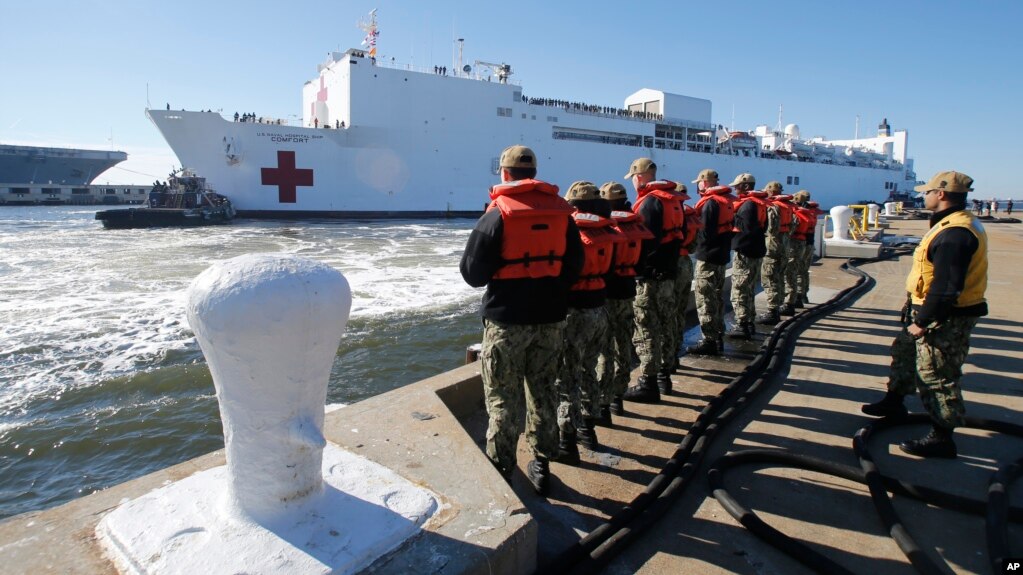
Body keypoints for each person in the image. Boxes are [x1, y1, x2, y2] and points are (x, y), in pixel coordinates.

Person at [459, 145, 584, 494]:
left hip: (507, 322)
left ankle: (501, 466)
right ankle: (542, 464)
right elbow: (576, 265)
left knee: (502, 396)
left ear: (504, 173)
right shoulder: (563, 215)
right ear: (534, 173)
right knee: (543, 390)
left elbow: (472, 274)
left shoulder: (497, 214)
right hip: (550, 320)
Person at [862, 171, 988, 458]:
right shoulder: (952, 224)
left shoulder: (955, 233)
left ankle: (942, 436)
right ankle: (894, 402)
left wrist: (923, 322)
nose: (924, 196)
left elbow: (946, 287)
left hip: (945, 315)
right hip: (928, 307)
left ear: (941, 194)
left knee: (937, 373)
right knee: (905, 353)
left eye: (928, 192)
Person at [554, 182, 616, 462]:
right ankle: (588, 430)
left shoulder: (569, 232)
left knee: (567, 378)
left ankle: (567, 442)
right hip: (599, 309)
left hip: (574, 311)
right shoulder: (608, 229)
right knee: (589, 370)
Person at [621, 158, 684, 403]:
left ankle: (648, 383)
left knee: (646, 330)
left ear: (640, 176)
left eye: (634, 177)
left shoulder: (648, 203)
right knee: (666, 326)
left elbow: (644, 242)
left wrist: (635, 269)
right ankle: (664, 377)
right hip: (669, 275)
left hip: (650, 278)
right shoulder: (673, 201)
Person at [596, 182, 651, 420]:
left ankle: (603, 404)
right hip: (628, 292)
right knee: (623, 346)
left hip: (607, 296)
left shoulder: (606, 228)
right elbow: (644, 258)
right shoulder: (636, 223)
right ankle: (618, 397)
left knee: (605, 352)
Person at [687, 169, 736, 355]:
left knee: (705, 298)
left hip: (708, 257)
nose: (698, 185)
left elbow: (705, 233)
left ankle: (709, 340)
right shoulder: (726, 202)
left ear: (704, 183)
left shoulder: (709, 204)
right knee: (716, 296)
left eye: (699, 182)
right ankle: (718, 334)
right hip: (722, 256)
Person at [726, 173, 768, 339]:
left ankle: (742, 324)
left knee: (740, 289)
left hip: (746, 252)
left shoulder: (748, 205)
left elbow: (746, 228)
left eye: (737, 186)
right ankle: (749, 321)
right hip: (756, 250)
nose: (735, 189)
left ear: (745, 186)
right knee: (749, 287)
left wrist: (731, 218)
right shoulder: (759, 204)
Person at [757, 182, 792, 325]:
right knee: (780, 276)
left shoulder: (772, 207)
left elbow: (771, 228)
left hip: (772, 245)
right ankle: (779, 305)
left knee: (769, 278)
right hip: (785, 244)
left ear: (771, 192)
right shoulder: (788, 206)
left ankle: (772, 311)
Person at [673, 182, 699, 360]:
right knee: (680, 307)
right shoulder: (690, 215)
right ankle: (677, 341)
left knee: (669, 309)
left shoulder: (669, 214)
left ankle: (670, 349)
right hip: (686, 264)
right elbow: (694, 246)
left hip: (672, 264)